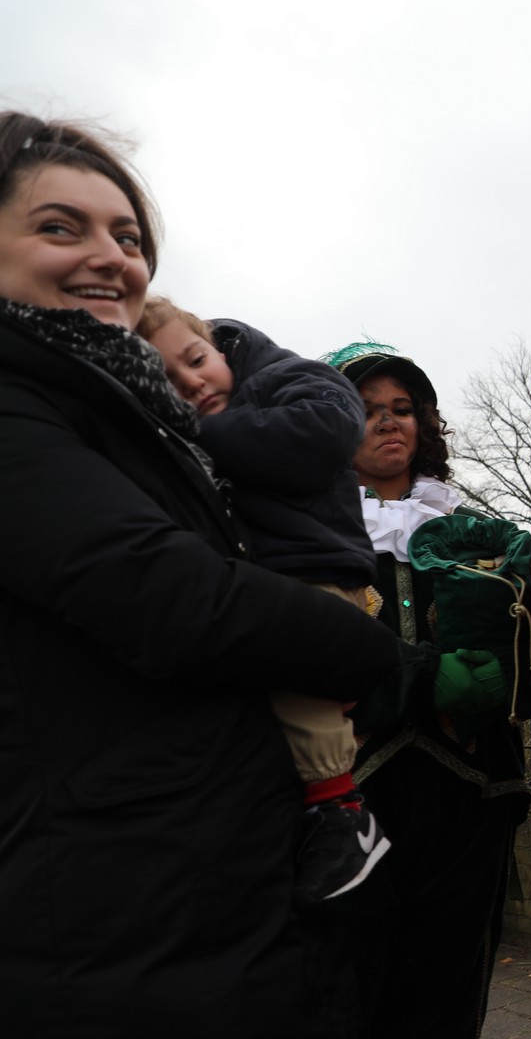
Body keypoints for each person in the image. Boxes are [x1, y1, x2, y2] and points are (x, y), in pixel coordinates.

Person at [0, 114, 406, 1038]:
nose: (110, 257)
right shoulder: (24, 406)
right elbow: (172, 596)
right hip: (114, 914)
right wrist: (375, 654)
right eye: (60, 227)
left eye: (128, 236)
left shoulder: (131, 411)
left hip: (204, 888)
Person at [138, 295, 392, 904]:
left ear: (218, 345)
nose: (192, 383)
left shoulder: (286, 377)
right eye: (168, 382)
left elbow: (326, 428)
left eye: (195, 359)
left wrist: (195, 433)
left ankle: (342, 812)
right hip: (263, 582)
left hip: (313, 572)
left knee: (297, 691)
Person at [318, 341, 531, 1039]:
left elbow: (525, 647)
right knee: (354, 986)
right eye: (366, 410)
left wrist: (513, 674)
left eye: (403, 408)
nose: (389, 422)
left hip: (470, 788)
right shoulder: (308, 533)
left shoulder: (475, 530)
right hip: (355, 789)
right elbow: (303, 650)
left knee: (449, 987)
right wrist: (420, 678)